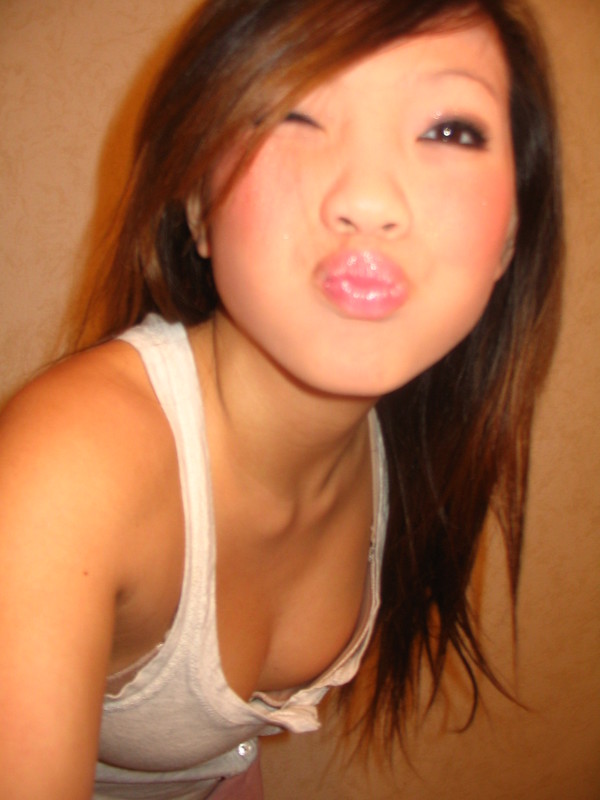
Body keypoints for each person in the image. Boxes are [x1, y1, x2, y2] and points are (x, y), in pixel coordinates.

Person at [0, 0, 562, 798]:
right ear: (198, 205)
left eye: (448, 129)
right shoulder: (65, 472)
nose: (369, 197)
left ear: (509, 234)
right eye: (294, 111)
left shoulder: (407, 444)